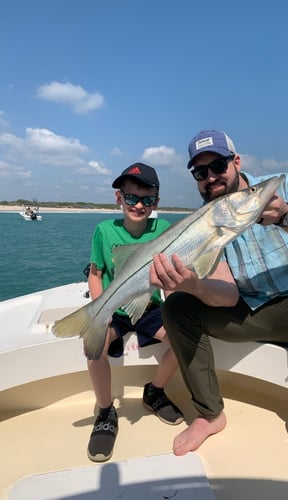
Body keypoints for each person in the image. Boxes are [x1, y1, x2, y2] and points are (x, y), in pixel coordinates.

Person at [149, 130, 288, 484]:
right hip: (245, 312)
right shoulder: (203, 222)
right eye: (200, 172)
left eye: (218, 166)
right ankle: (209, 414)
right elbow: (225, 295)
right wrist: (191, 284)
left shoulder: (284, 186)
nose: (210, 177)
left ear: (236, 162)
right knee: (177, 306)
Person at [86, 162, 184, 463]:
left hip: (150, 307)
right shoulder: (104, 231)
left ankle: (154, 392)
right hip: (114, 309)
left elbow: (171, 278)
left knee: (184, 342)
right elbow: (95, 273)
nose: (138, 205)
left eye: (146, 199)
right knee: (93, 347)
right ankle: (105, 410)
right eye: (131, 198)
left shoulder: (164, 229)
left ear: (156, 202)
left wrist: (177, 309)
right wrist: (100, 311)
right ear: (119, 198)